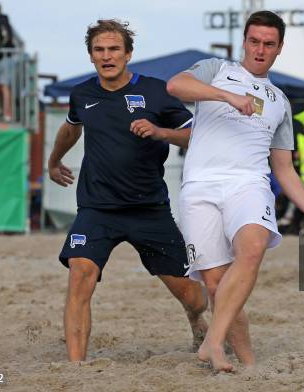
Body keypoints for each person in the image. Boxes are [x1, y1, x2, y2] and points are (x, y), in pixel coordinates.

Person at [167, 10, 304, 371]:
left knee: (252, 248)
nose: (260, 49)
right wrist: (225, 96)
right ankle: (247, 363)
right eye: (254, 41)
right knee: (217, 288)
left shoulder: (280, 100)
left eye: (269, 43)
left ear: (279, 48)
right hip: (199, 186)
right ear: (244, 41)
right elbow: (175, 86)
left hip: (248, 184)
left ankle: (212, 344)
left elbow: (284, 168)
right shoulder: (217, 69)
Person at [48, 19, 207, 362]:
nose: (107, 56)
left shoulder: (157, 91)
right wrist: (53, 161)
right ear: (91, 56)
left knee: (192, 296)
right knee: (80, 274)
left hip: (148, 209)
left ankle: (196, 320)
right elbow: (71, 128)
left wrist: (160, 132)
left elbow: (198, 135)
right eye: (99, 50)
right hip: (97, 209)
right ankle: (75, 367)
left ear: (128, 53)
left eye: (114, 49)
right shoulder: (82, 94)